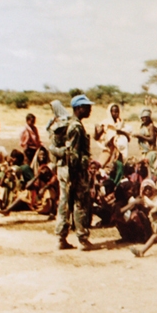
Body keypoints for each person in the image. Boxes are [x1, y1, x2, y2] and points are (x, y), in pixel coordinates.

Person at [55, 95, 95, 250]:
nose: (90, 110)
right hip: (74, 172)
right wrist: (77, 174)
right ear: (79, 108)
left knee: (64, 204)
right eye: (87, 107)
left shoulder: (68, 124)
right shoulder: (76, 127)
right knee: (80, 204)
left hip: (65, 171)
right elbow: (74, 154)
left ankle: (61, 238)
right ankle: (82, 238)